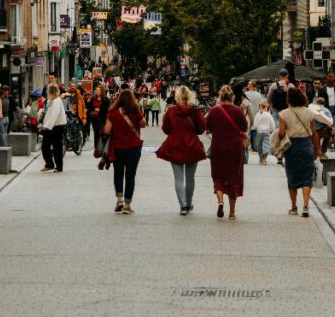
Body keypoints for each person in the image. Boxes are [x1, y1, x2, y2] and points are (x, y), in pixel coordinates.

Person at [157, 85, 207, 214]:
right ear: (190, 96)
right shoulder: (195, 110)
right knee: (190, 177)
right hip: (191, 146)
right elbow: (201, 130)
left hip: (175, 146)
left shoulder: (171, 111)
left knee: (178, 178)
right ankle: (189, 203)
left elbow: (166, 130)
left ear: (177, 96)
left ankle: (183, 205)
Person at [205, 85, 249, 220]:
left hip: (218, 147)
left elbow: (207, 129)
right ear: (232, 97)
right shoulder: (238, 111)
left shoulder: (213, 111)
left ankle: (220, 201)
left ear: (220, 97)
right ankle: (232, 213)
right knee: (233, 178)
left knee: (218, 177)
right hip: (235, 148)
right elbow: (244, 127)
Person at [278, 85, 321, 217]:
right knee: (307, 178)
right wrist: (317, 149)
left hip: (292, 147)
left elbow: (281, 134)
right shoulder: (309, 112)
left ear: (289, 99)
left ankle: (294, 207)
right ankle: (306, 206)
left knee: (292, 177)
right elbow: (314, 133)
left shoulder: (283, 114)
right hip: (306, 145)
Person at [103, 89, 146, 214]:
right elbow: (143, 124)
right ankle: (127, 204)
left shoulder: (113, 113)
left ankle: (119, 199)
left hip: (118, 147)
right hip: (134, 147)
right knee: (130, 175)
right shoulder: (135, 111)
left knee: (118, 173)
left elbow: (106, 130)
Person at [40, 83, 67, 171]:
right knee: (46, 146)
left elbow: (54, 116)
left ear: (51, 92)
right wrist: (49, 100)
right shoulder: (52, 100)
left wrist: (46, 127)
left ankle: (58, 167)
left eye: (48, 91)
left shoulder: (57, 101)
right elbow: (48, 108)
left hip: (56, 127)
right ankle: (49, 164)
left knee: (56, 147)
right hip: (51, 127)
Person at [88, 83, 109, 154]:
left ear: (101, 91)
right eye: (96, 90)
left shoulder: (106, 100)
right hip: (94, 118)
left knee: (102, 133)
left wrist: (99, 110)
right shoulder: (93, 99)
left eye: (97, 90)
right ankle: (96, 148)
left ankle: (102, 147)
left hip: (102, 119)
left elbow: (107, 110)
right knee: (96, 133)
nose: (96, 91)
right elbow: (90, 108)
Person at [253, 99, 274, 165]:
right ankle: (265, 158)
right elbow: (272, 124)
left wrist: (253, 128)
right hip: (267, 131)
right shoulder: (269, 115)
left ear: (260, 107)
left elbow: (255, 124)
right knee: (266, 144)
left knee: (259, 145)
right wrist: (272, 130)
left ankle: (261, 158)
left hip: (259, 132)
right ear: (266, 107)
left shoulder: (257, 115)